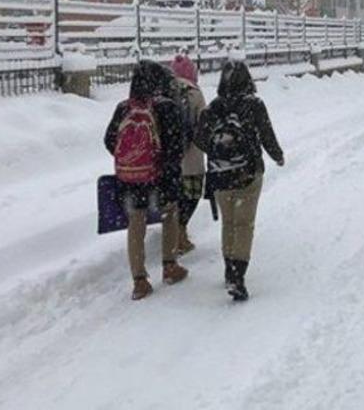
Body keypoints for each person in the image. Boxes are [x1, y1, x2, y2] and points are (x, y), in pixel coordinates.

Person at [195, 61, 284, 301]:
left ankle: (228, 269)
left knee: (229, 223)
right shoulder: (254, 105)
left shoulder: (213, 107)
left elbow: (199, 138)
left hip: (219, 174)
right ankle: (238, 276)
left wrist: (218, 151)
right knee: (244, 225)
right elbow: (266, 134)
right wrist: (277, 155)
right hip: (248, 172)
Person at [104, 60, 189, 301]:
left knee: (136, 223)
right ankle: (170, 265)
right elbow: (176, 145)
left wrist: (131, 159)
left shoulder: (123, 108)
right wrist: (162, 165)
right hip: (161, 176)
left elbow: (109, 140)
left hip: (130, 178)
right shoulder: (166, 107)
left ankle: (139, 280)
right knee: (170, 214)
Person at [170, 54, 207, 255]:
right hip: (192, 157)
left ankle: (174, 232)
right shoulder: (195, 93)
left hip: (169, 158)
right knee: (191, 196)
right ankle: (181, 232)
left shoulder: (163, 91)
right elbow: (205, 123)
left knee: (174, 197)